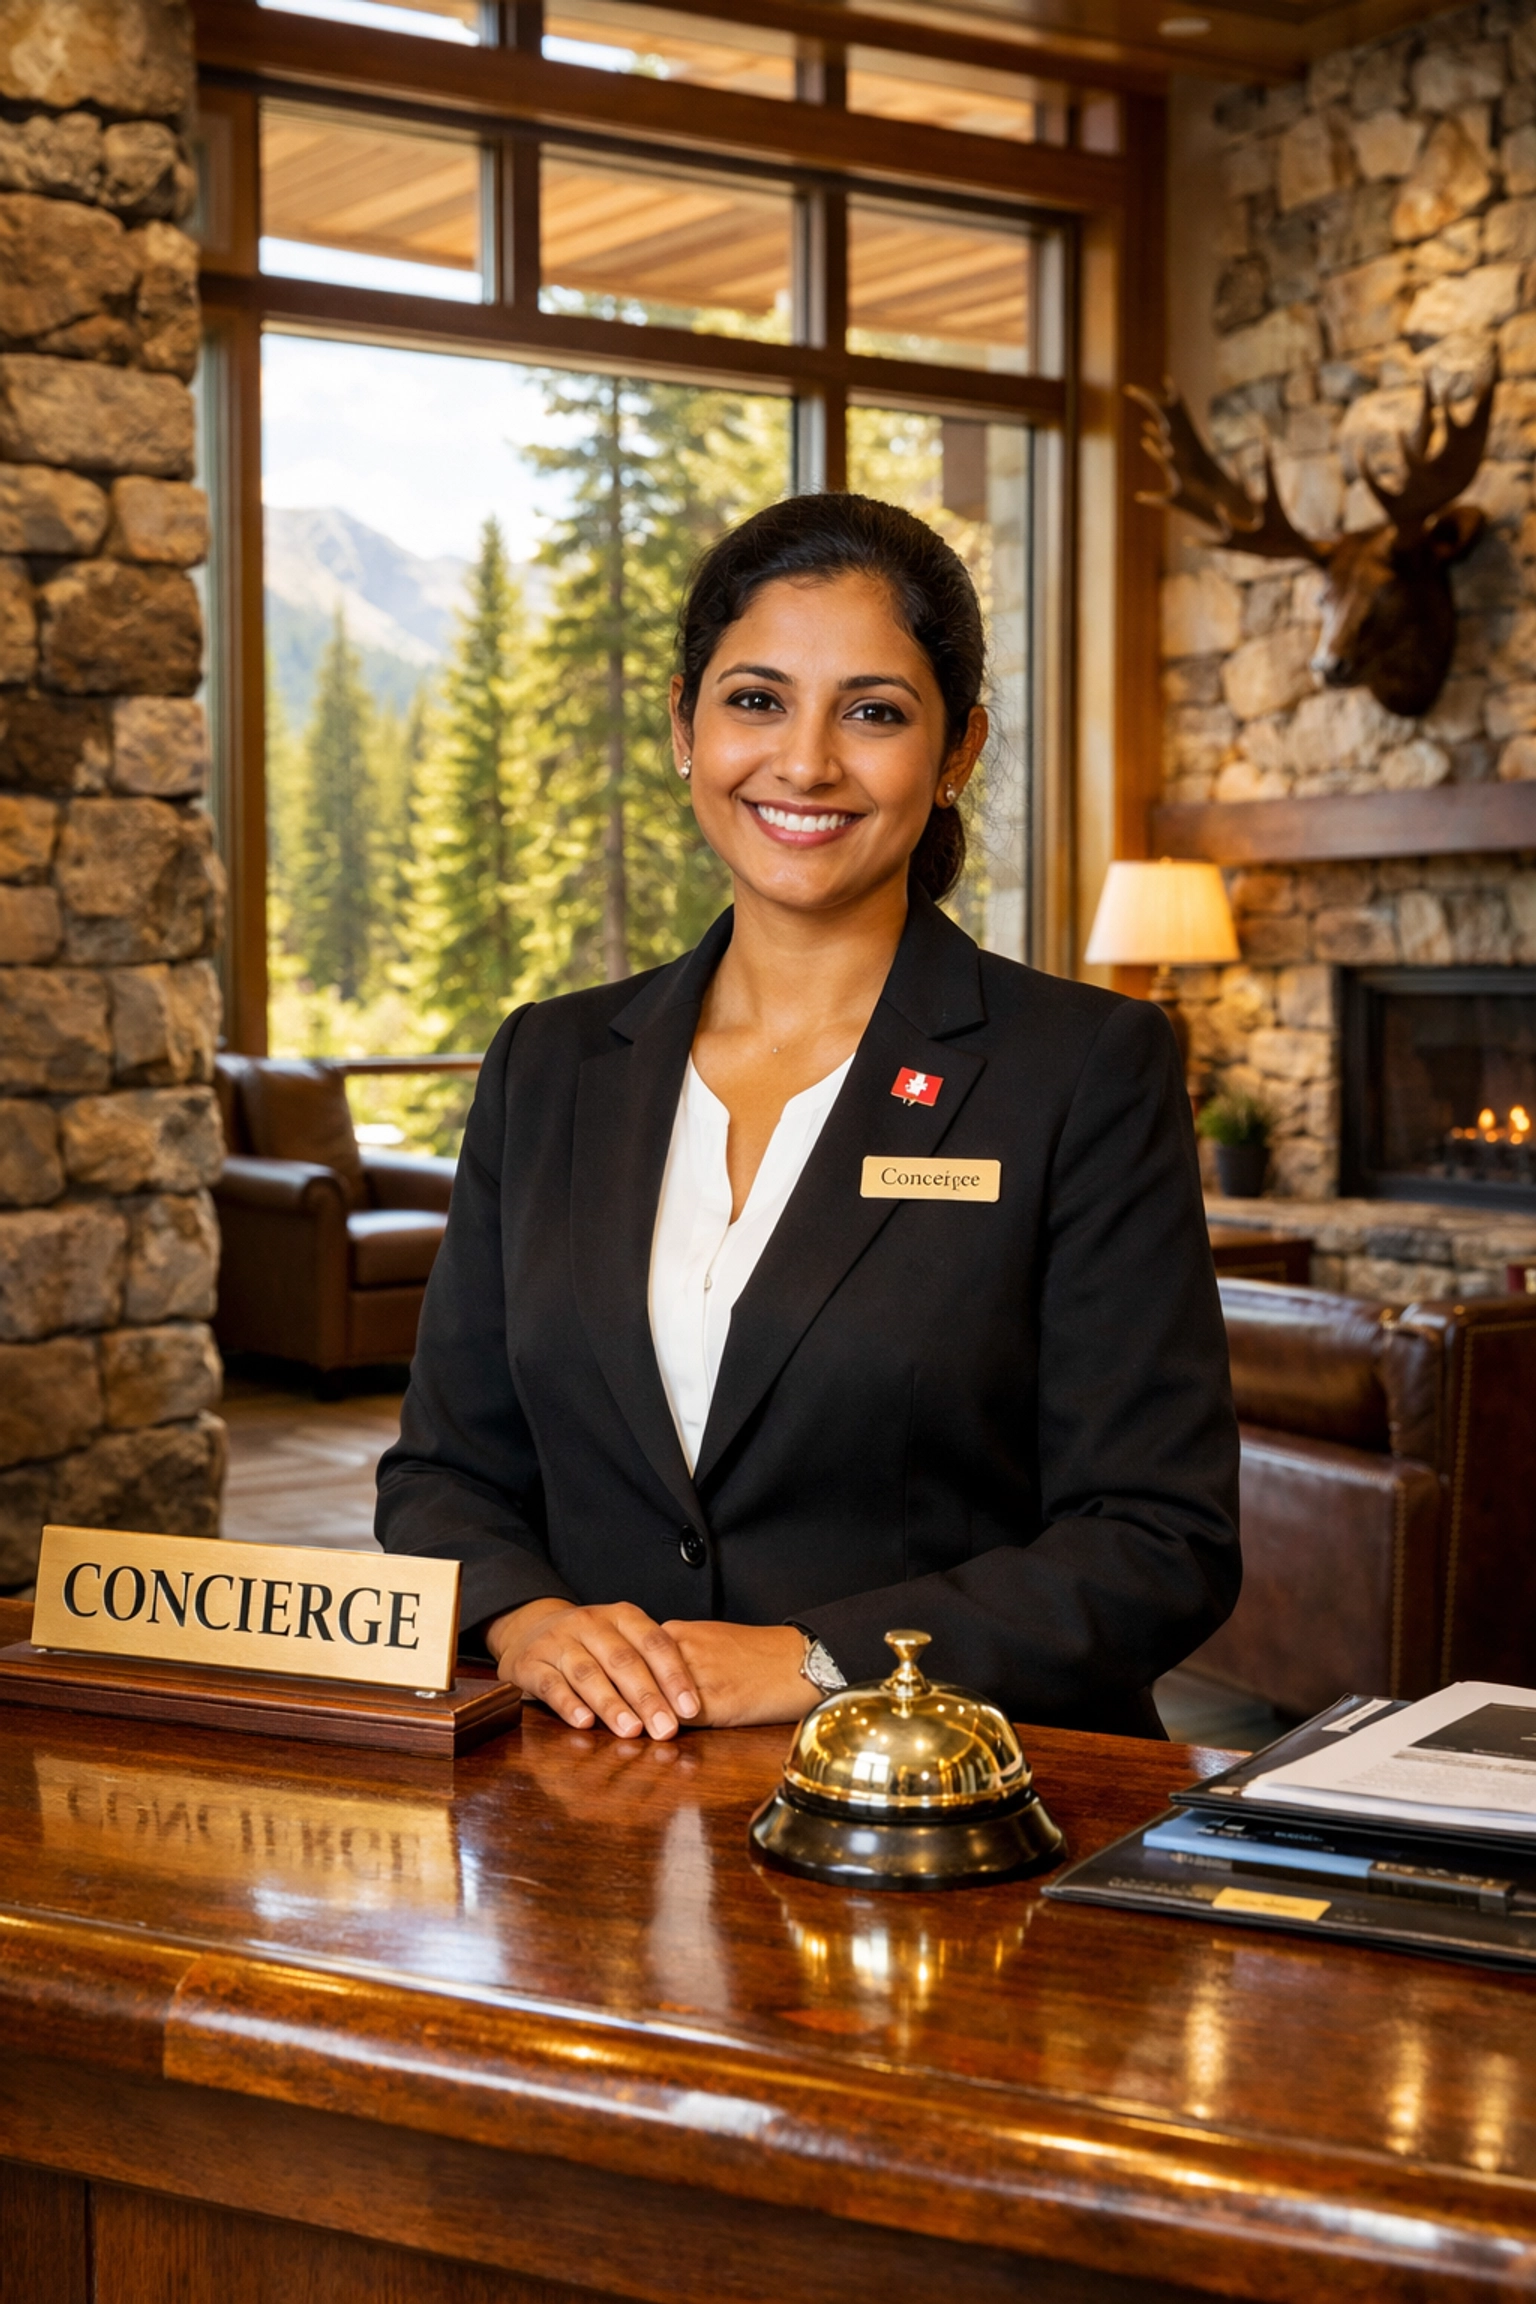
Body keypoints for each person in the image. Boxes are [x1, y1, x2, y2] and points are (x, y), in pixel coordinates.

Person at [376, 493, 1240, 1741]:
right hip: (593, 1823)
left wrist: (816, 1662)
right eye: (756, 700)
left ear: (955, 755)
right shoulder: (549, 1064)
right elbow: (446, 1474)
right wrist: (527, 1619)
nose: (807, 761)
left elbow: (1161, 1540)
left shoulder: (1085, 1069)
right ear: (685, 726)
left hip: (951, 1817)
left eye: (874, 713)